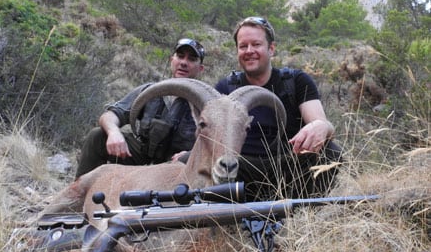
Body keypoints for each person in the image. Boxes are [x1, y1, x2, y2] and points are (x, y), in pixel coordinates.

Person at [215, 17, 342, 200]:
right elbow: (209, 136)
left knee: (330, 152)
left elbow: (321, 123)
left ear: (271, 48)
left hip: (288, 165)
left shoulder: (296, 81)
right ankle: (228, 216)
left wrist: (322, 126)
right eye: (243, 46)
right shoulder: (225, 88)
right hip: (241, 167)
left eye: (256, 44)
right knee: (193, 162)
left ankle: (303, 211)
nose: (249, 51)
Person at [75, 38, 205, 178]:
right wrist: (113, 133)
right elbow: (110, 115)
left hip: (177, 168)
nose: (184, 63)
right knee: (98, 136)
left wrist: (191, 155)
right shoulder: (151, 91)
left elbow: (219, 144)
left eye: (191, 59)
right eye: (180, 56)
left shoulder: (205, 102)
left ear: (200, 68)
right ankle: (78, 193)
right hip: (141, 158)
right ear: (171, 60)